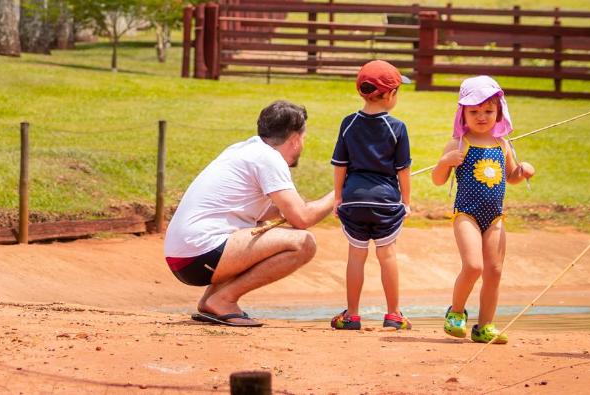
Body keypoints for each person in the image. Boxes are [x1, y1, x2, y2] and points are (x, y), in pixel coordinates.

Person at [163, 100, 334, 327]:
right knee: (304, 243)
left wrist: (314, 206)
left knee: (264, 227)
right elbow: (302, 218)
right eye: (303, 138)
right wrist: (340, 194)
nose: (302, 144)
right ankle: (224, 299)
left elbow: (277, 211)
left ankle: (211, 301)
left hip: (185, 255)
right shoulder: (269, 158)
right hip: (198, 253)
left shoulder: (244, 149)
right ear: (294, 139)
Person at [432, 76, 535, 344]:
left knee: (494, 270)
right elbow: (438, 179)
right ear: (462, 113)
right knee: (474, 265)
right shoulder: (459, 144)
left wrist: (522, 171)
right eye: (474, 111)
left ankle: (485, 326)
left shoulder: (503, 144)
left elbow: (510, 176)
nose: (481, 117)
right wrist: (445, 162)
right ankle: (455, 313)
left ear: (499, 111)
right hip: (466, 213)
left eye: (488, 111)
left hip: (495, 217)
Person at [330, 60, 413, 331]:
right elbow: (403, 169)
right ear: (388, 95)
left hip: (353, 200)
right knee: (387, 255)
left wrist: (338, 198)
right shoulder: (397, 127)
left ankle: (352, 316)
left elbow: (340, 165)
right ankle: (394, 315)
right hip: (386, 201)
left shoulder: (348, 123)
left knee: (356, 256)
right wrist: (407, 202)